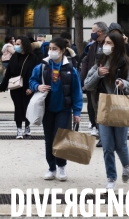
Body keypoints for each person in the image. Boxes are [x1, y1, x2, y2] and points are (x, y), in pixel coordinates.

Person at [84, 32, 129, 189]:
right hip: (103, 107)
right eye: (104, 43)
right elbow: (88, 85)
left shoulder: (127, 64)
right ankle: (111, 177)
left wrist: (123, 84)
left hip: (120, 107)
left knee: (120, 145)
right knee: (107, 146)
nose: (104, 46)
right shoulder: (99, 62)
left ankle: (126, 165)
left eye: (108, 43)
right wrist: (98, 75)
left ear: (117, 46)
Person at [29, 37, 82, 182]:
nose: (51, 51)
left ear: (63, 51)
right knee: (49, 139)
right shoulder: (43, 66)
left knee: (61, 139)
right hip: (47, 109)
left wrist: (77, 111)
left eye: (55, 49)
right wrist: (37, 86)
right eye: (50, 48)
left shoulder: (71, 69)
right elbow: (32, 80)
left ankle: (61, 166)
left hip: (64, 109)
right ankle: (51, 167)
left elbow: (76, 91)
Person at [0, 36, 41, 139]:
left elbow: (37, 74)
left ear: (24, 45)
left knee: (27, 107)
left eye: (18, 44)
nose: (15, 46)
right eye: (15, 43)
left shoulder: (33, 58)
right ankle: (19, 129)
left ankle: (27, 127)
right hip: (15, 87)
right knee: (18, 107)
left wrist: (33, 88)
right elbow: (8, 74)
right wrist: (2, 87)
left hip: (28, 87)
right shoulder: (14, 57)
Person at [80, 22, 108, 139]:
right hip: (93, 82)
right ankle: (97, 129)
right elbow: (86, 62)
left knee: (104, 109)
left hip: (106, 83)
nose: (92, 33)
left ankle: (104, 135)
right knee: (93, 108)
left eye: (92, 30)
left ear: (99, 32)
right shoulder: (93, 46)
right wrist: (83, 81)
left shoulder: (109, 43)